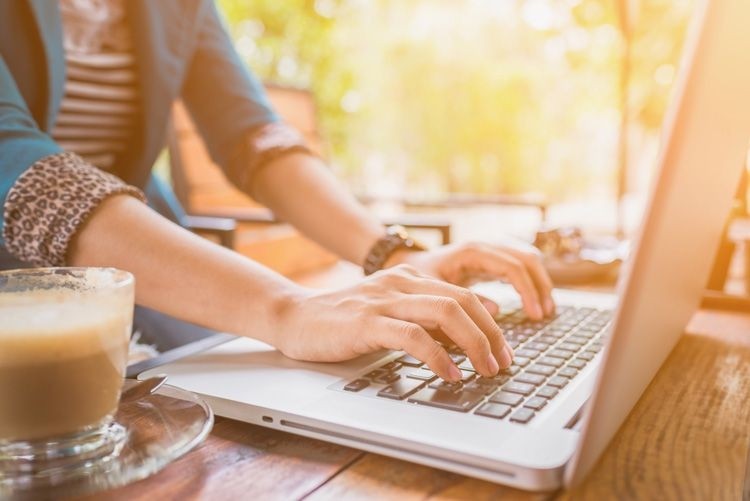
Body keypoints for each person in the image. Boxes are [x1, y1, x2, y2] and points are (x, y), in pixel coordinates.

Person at [0, 0, 555, 383]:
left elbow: (252, 136)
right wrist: (289, 307)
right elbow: (10, 153)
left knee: (229, 376)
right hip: (16, 259)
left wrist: (396, 254)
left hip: (136, 252)